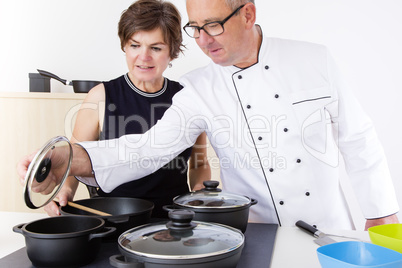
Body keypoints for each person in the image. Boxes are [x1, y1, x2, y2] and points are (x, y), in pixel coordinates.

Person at [18, 0, 399, 230]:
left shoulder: (315, 59)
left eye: (213, 25)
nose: (203, 40)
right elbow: (146, 149)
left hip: (327, 225)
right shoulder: (199, 88)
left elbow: (358, 138)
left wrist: (380, 211)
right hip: (252, 229)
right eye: (196, 28)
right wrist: (68, 158)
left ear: (248, 13)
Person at [42, 0, 211, 219]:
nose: (143, 56)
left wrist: (200, 189)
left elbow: (199, 162)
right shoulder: (100, 96)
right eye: (135, 45)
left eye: (156, 48)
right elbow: (74, 159)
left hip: (172, 219)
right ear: (124, 45)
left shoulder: (186, 98)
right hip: (113, 217)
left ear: (172, 52)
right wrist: (64, 190)